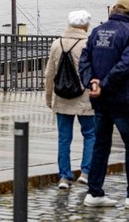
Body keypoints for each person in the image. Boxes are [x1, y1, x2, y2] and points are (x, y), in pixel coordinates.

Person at [79, 0, 129, 209]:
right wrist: (104, 84)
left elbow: (84, 59)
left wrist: (92, 83)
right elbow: (126, 64)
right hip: (123, 99)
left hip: (100, 99)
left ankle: (94, 191)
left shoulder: (97, 30)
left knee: (101, 145)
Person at [44, 10, 95, 190]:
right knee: (90, 134)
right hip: (84, 97)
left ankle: (64, 177)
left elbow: (50, 73)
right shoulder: (89, 44)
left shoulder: (56, 44)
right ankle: (86, 172)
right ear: (85, 25)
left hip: (62, 96)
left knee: (64, 138)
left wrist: (49, 97)